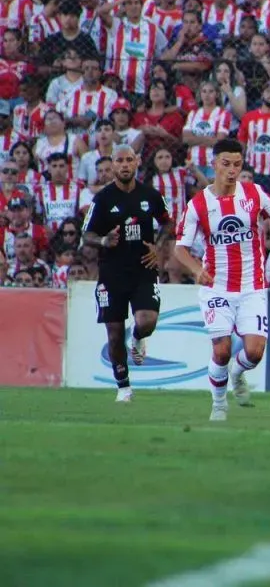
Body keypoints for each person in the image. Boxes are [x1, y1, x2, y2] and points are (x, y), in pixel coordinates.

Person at [174, 139, 270, 422]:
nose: (232, 170)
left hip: (252, 286)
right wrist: (196, 269)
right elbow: (180, 248)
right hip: (216, 287)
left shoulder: (254, 194)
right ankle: (219, 405)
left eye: (237, 165)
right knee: (222, 350)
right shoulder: (198, 205)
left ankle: (238, 373)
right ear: (214, 164)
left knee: (254, 352)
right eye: (226, 164)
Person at [82, 145, 174, 403]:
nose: (124, 165)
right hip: (112, 274)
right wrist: (103, 241)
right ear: (113, 165)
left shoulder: (151, 195)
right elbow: (86, 235)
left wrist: (158, 245)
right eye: (119, 160)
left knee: (147, 322)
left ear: (137, 162)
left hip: (143, 269)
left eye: (129, 160)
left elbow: (168, 222)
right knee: (113, 333)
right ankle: (123, 387)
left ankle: (137, 337)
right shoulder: (102, 199)